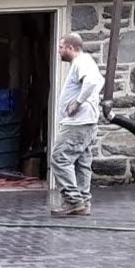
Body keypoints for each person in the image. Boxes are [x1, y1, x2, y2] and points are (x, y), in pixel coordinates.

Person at [51, 32, 104, 217]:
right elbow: (99, 82)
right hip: (86, 122)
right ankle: (83, 202)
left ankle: (73, 201)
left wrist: (77, 103)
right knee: (82, 163)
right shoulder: (86, 62)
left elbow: (90, 82)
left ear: (71, 48)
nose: (59, 52)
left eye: (61, 48)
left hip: (78, 123)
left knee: (59, 158)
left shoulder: (82, 62)